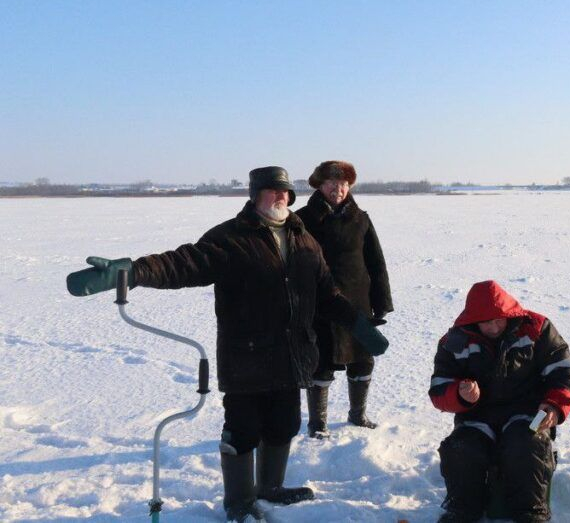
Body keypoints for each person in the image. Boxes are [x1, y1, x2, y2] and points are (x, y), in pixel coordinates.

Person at [66, 166, 388, 522]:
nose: (279, 197)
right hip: (246, 356)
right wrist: (132, 270)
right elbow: (182, 263)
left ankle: (270, 488)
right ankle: (238, 503)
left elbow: (327, 293)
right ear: (254, 196)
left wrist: (359, 323)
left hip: (293, 354)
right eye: (271, 191)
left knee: (284, 424)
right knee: (243, 429)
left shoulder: (304, 238)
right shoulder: (231, 237)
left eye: (284, 192)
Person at [429, 280, 570, 523]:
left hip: (527, 411)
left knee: (525, 444)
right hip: (477, 414)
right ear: (473, 319)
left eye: (498, 319)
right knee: (461, 448)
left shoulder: (536, 328)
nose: (494, 326)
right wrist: (459, 394)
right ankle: (462, 510)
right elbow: (438, 388)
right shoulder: (454, 341)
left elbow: (565, 369)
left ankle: (531, 513)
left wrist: (554, 404)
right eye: (486, 321)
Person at [296, 160, 393, 435]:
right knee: (321, 361)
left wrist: (381, 302)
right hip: (319, 304)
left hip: (357, 301)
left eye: (343, 184)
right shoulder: (302, 219)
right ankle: (317, 423)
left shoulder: (361, 218)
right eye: (331, 184)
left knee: (361, 359)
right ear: (320, 186)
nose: (337, 189)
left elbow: (376, 262)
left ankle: (358, 415)